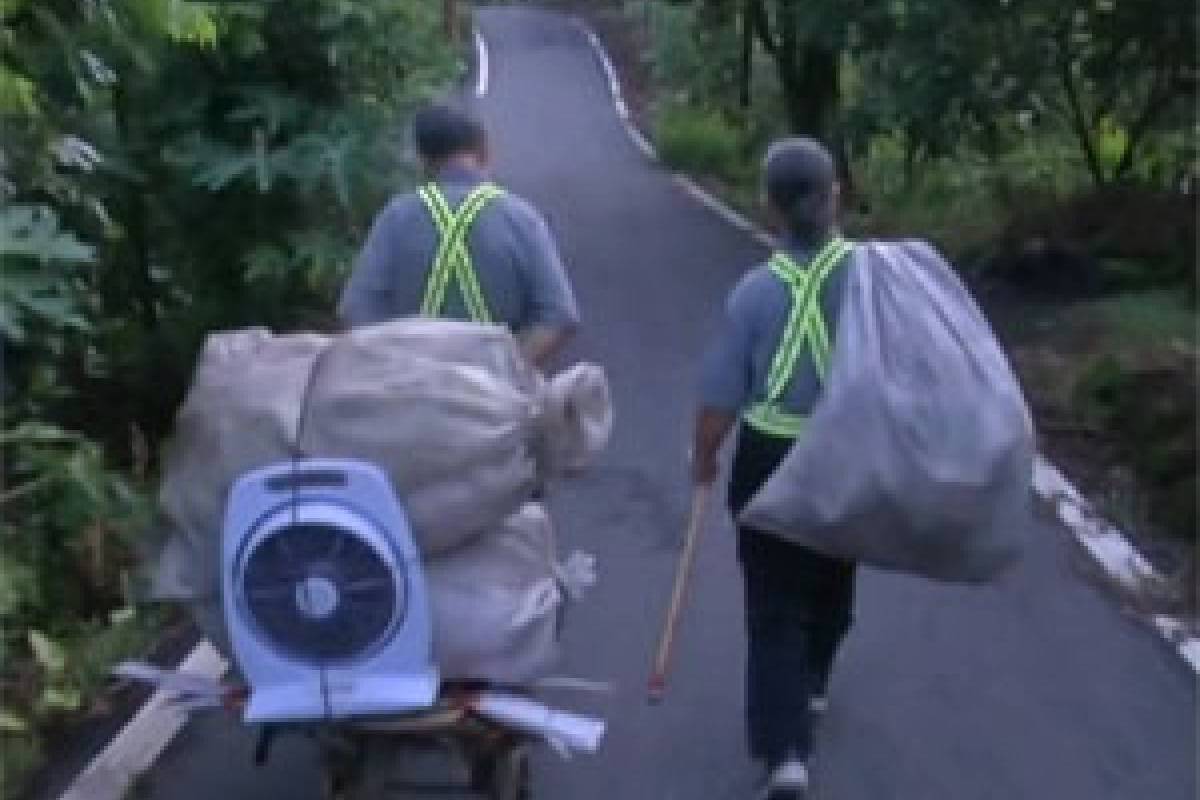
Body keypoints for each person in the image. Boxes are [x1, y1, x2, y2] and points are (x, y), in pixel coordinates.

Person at [691, 138, 856, 800]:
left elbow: (721, 393)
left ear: (769, 209)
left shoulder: (754, 293)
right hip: (847, 455)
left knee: (773, 605)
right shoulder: (870, 279)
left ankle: (786, 753)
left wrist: (704, 456)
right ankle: (813, 682)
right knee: (833, 576)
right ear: (835, 194)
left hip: (769, 458)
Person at [338, 103, 579, 368]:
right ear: (485, 149)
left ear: (422, 159)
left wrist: (401, 365)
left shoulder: (396, 217)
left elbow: (357, 308)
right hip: (499, 396)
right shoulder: (522, 218)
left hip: (413, 392)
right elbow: (559, 315)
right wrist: (510, 369)